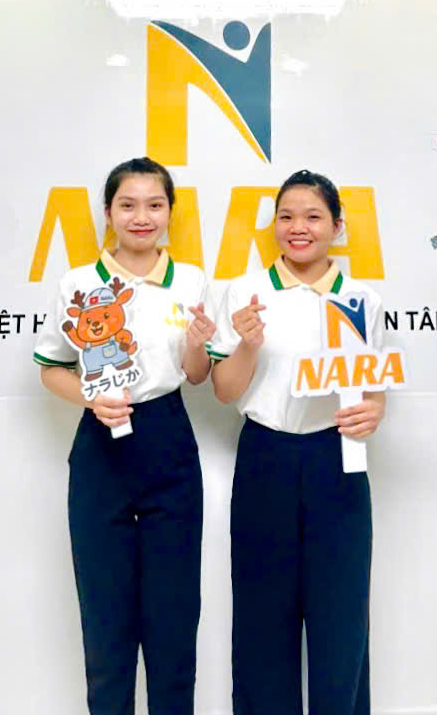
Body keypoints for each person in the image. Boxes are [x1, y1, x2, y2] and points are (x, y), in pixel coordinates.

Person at [34, 157, 214, 715]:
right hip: (101, 444)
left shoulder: (190, 280)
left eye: (154, 205)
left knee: (173, 614)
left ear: (170, 213)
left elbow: (197, 374)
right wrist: (91, 399)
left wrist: (198, 344)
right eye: (128, 205)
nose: (142, 217)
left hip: (168, 439)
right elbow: (51, 369)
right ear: (108, 212)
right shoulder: (79, 283)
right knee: (105, 613)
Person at [208, 170, 385, 715]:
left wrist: (373, 413)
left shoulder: (361, 299)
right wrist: (247, 345)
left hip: (338, 459)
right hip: (267, 455)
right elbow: (224, 390)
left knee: (341, 612)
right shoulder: (247, 293)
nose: (297, 228)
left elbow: (373, 388)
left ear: (337, 226)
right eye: (286, 217)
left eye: (312, 217)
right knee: (263, 613)